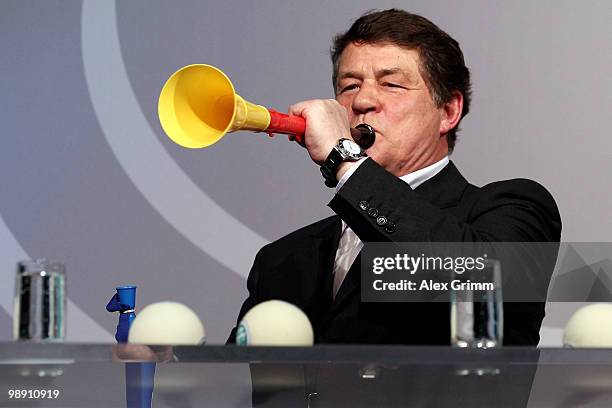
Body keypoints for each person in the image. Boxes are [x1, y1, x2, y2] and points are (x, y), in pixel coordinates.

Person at [228, 9, 561, 345]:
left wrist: (344, 159)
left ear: (448, 111)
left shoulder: (515, 207)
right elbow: (237, 383)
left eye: (391, 84)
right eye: (350, 85)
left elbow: (481, 280)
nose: (362, 101)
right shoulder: (281, 259)